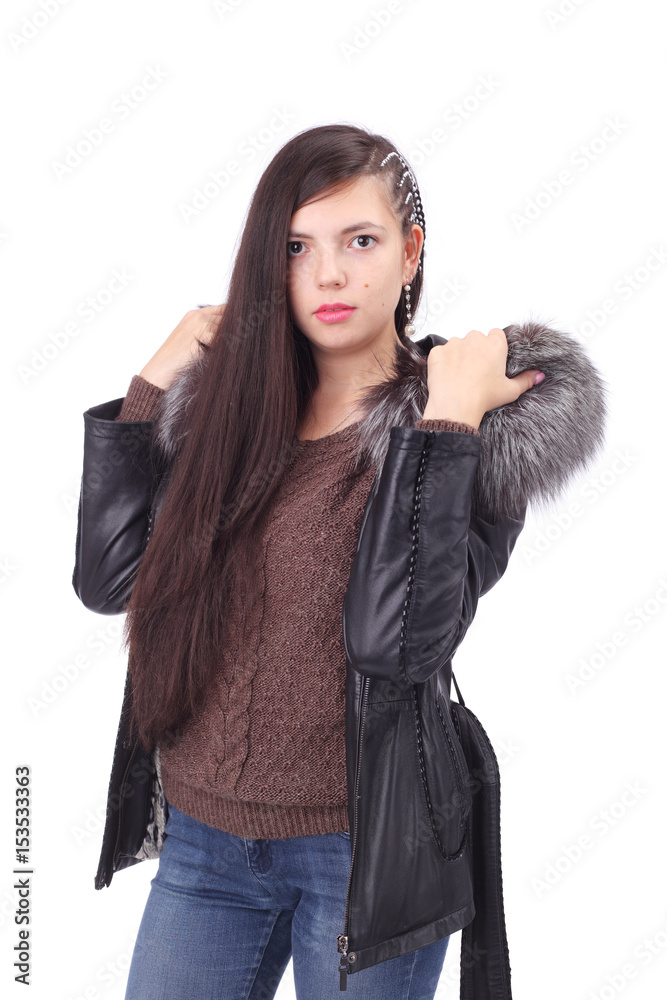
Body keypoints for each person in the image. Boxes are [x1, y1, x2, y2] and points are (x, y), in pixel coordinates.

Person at [72, 123, 603, 999]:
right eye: (296, 247)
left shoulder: (478, 425)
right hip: (205, 842)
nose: (326, 275)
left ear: (410, 252)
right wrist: (156, 382)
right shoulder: (229, 415)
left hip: (365, 852)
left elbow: (395, 642)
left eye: (360, 241)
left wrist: (446, 422)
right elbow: (114, 580)